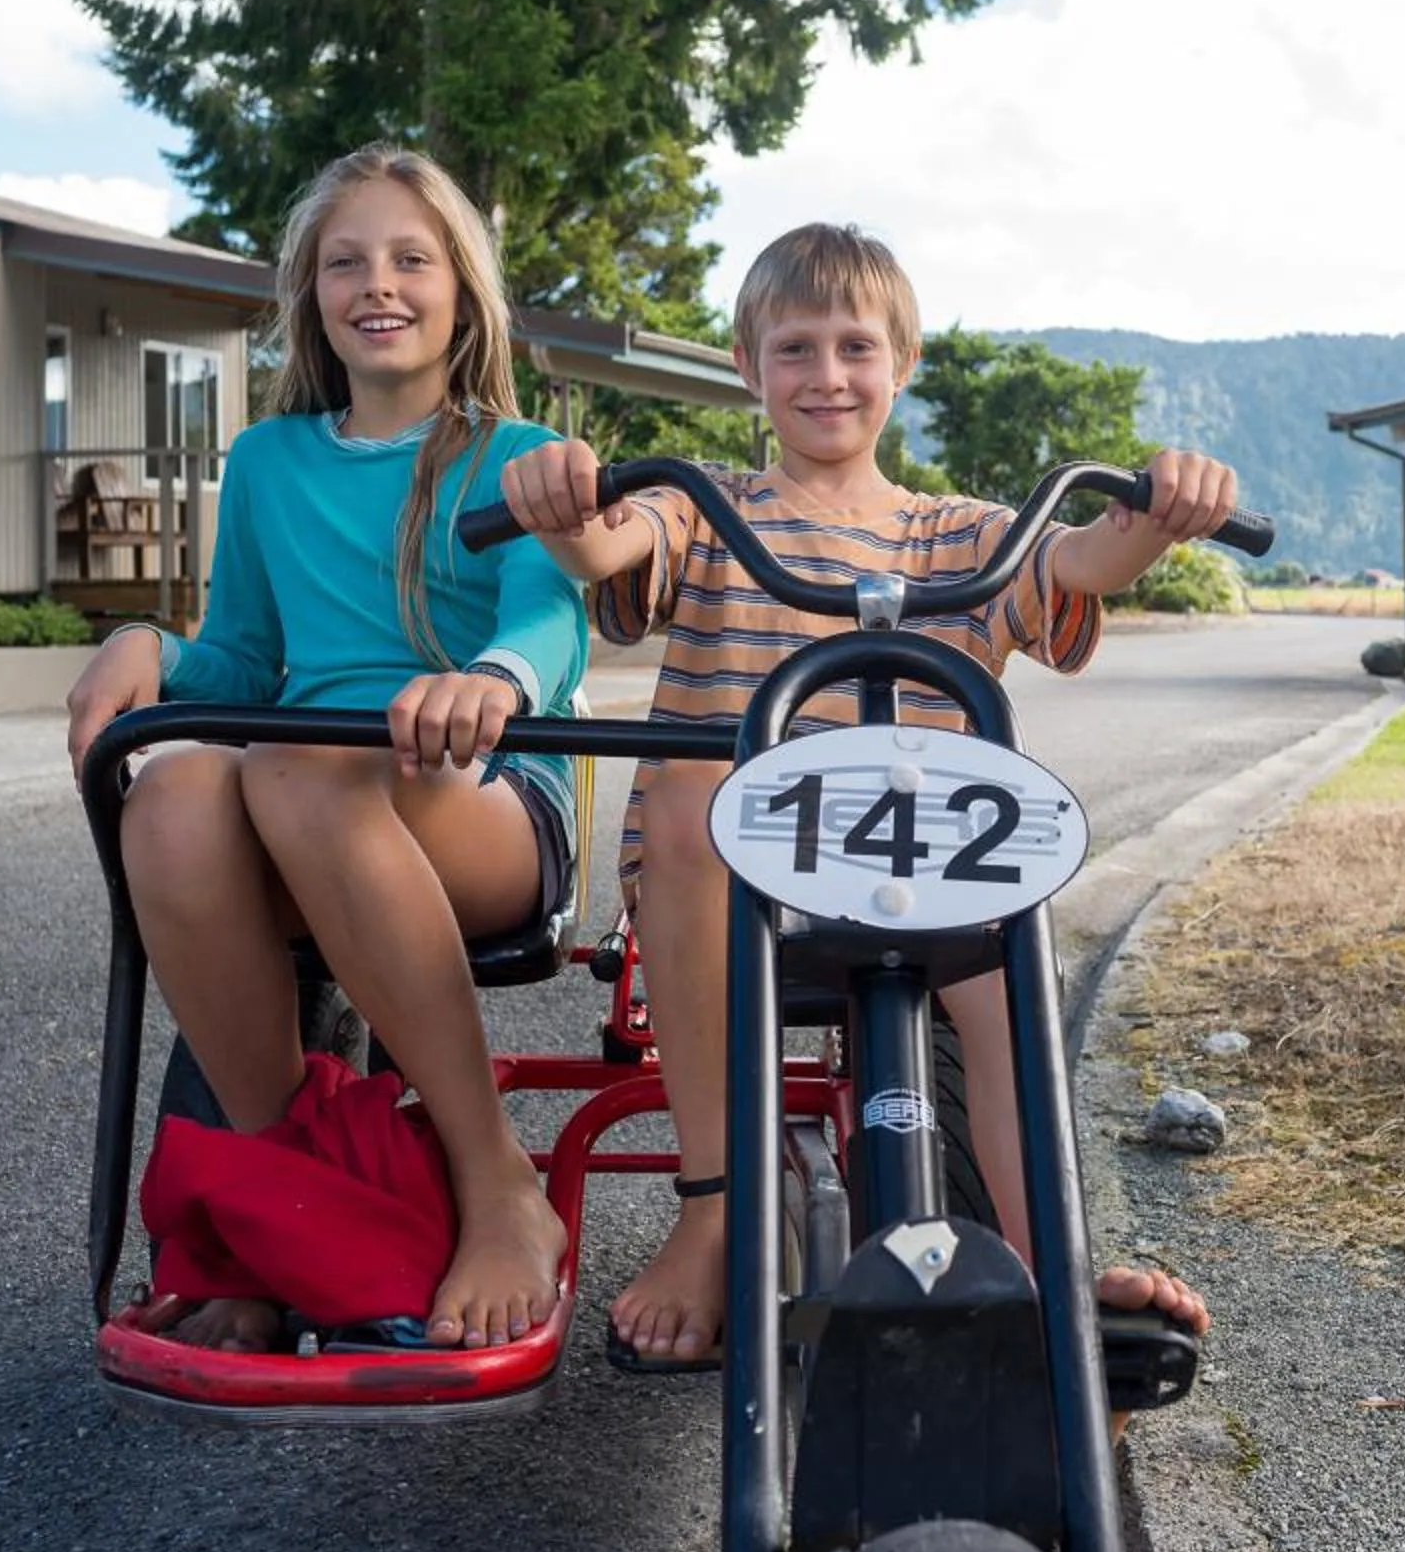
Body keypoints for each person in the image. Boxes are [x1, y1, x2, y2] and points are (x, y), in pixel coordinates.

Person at [497, 221, 1226, 1401]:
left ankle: (1050, 1270)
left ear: (903, 363)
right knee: (692, 787)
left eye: (854, 348)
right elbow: (607, 542)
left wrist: (1159, 514)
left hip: (923, 872)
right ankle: (717, 1211)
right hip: (734, 877)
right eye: (794, 349)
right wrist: (565, 500)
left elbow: (1082, 558)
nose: (826, 375)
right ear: (748, 365)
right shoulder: (710, 510)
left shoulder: (963, 536)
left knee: (1003, 987)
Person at [64, 144, 586, 1353]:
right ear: (311, 297)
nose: (379, 283)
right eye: (346, 262)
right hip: (304, 794)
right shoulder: (269, 462)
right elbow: (245, 660)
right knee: (177, 785)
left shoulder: (509, 456)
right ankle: (287, 1207)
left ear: (461, 289)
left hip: (483, 795)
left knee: (289, 765)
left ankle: (493, 1177)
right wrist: (148, 643)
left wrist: (490, 682)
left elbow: (547, 617)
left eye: (412, 258)